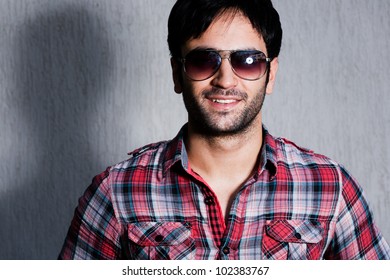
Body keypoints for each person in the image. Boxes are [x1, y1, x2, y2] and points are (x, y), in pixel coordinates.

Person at [58, 0, 390, 260]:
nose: (226, 80)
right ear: (178, 73)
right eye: (204, 60)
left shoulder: (331, 189)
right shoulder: (115, 193)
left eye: (248, 61)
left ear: (270, 74)